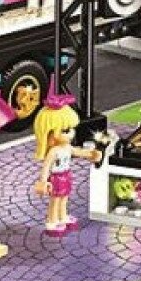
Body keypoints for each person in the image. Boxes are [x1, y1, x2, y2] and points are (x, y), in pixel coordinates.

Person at [32, 92, 100, 236]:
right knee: (55, 200)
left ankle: (63, 217)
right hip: (56, 178)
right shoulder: (54, 151)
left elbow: (77, 151)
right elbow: (46, 167)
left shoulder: (66, 147)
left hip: (66, 175)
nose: (71, 134)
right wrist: (43, 181)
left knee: (64, 198)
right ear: (50, 133)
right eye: (65, 131)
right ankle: (52, 221)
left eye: (71, 129)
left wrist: (91, 154)